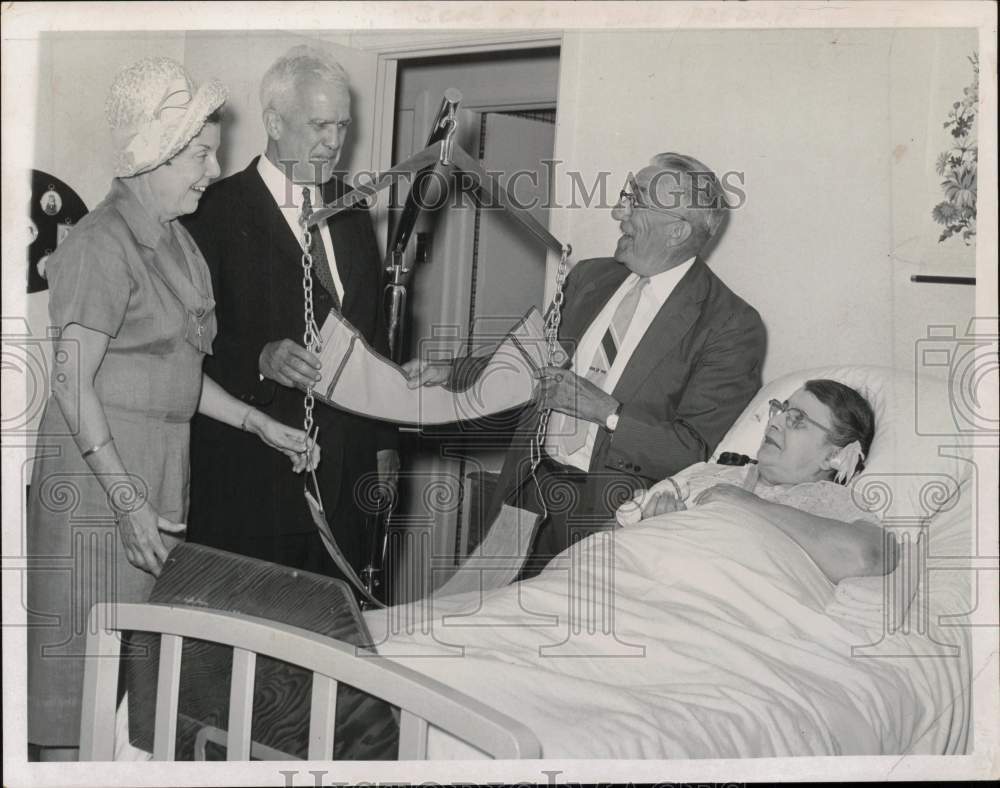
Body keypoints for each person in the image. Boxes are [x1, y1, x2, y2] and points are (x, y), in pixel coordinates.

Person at [26, 57, 314, 760]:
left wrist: (258, 421)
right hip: (98, 490)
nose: (213, 168)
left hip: (156, 475)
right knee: (75, 690)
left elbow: (177, 372)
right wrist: (126, 501)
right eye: (199, 153)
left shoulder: (178, 241)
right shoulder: (101, 242)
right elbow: (72, 383)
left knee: (135, 689)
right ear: (149, 156)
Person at [406, 153, 766, 576]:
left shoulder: (730, 325)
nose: (618, 212)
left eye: (635, 200)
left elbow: (696, 451)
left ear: (677, 230)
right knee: (490, 618)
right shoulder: (590, 278)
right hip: (525, 492)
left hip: (610, 520)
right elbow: (534, 366)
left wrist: (608, 413)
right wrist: (452, 372)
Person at [182, 45, 399, 577]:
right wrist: (258, 357)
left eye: (342, 126)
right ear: (274, 122)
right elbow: (180, 347)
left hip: (345, 484)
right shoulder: (209, 211)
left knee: (331, 642)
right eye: (319, 124)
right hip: (248, 484)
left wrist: (384, 448)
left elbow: (375, 341)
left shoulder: (352, 209)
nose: (334, 142)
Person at [626, 379, 895, 581]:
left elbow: (864, 558)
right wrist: (654, 527)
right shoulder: (706, 473)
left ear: (834, 456)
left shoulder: (833, 502)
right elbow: (611, 536)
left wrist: (748, 504)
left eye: (797, 420)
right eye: (780, 410)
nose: (775, 423)